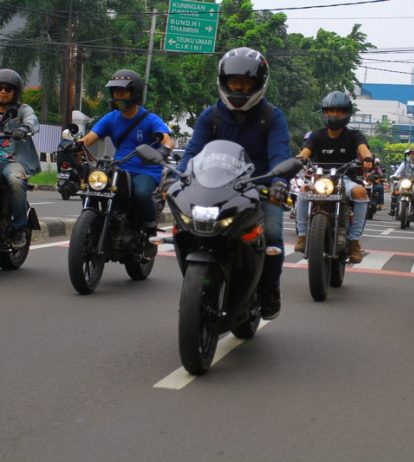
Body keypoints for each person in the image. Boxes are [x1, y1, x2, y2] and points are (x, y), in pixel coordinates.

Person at [178, 47, 292, 321]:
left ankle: (270, 290)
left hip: (258, 189)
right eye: (233, 82)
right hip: (214, 189)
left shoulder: (272, 116)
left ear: (259, 84)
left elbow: (280, 154)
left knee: (273, 234)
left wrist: (279, 182)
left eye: (246, 83)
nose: (239, 89)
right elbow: (192, 152)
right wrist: (176, 176)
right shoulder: (211, 116)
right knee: (184, 229)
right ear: (223, 82)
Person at [81, 69, 174, 244]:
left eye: (122, 91)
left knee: (141, 193)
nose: (118, 95)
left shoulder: (149, 119)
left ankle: (149, 227)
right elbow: (88, 139)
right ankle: (95, 222)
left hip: (146, 170)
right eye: (115, 91)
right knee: (92, 187)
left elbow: (167, 140)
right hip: (119, 169)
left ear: (134, 93)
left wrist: (164, 149)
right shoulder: (111, 118)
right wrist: (73, 145)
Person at [294, 90, 373, 264]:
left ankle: (354, 242)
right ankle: (302, 236)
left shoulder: (354, 135)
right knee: (303, 191)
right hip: (320, 179)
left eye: (340, 111)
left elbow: (363, 149)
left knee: (360, 192)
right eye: (331, 111)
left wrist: (367, 158)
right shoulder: (316, 135)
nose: (335, 115)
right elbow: (305, 151)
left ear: (347, 113)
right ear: (324, 112)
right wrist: (300, 158)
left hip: (345, 179)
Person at [0, 69, 40, 248]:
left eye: (8, 88)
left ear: (15, 92)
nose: (3, 91)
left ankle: (18, 229)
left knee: (16, 181)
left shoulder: (22, 109)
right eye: (0, 87)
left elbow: (32, 120)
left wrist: (24, 128)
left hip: (13, 160)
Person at [389, 148, 414, 216]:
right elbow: (397, 173)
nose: (412, 155)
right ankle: (393, 209)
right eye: (411, 154)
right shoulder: (404, 164)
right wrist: (394, 176)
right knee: (396, 190)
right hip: (404, 182)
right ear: (408, 155)